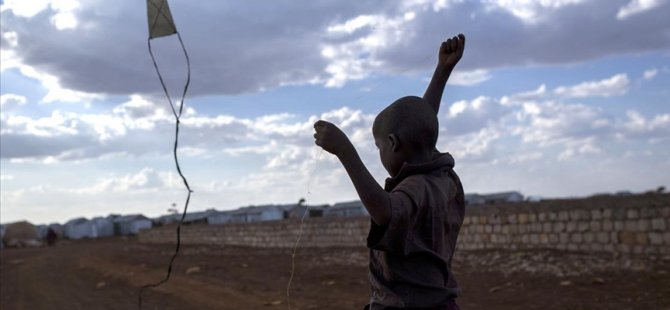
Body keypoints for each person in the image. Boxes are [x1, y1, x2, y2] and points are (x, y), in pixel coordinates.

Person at [313, 34, 466, 310]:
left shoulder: (416, 188)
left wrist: (345, 151)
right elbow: (422, 125)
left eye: (379, 146)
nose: (379, 152)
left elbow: (386, 211)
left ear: (393, 144)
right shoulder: (446, 180)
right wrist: (442, 71)